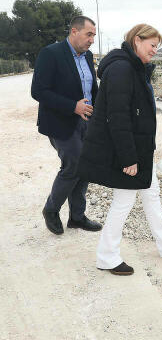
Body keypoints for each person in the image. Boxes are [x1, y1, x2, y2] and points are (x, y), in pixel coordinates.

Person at [77, 23, 162, 276]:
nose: (155, 51)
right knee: (124, 200)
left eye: (157, 47)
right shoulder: (121, 69)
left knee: (151, 194)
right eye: (152, 45)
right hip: (127, 152)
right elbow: (118, 117)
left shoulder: (133, 67)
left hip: (139, 148)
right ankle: (107, 256)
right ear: (137, 40)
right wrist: (129, 157)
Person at [31, 15, 103, 235]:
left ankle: (77, 217)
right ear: (74, 31)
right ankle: (51, 209)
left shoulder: (88, 55)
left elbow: (92, 91)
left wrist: (99, 116)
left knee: (86, 166)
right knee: (74, 164)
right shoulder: (50, 53)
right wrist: (73, 106)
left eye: (94, 36)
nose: (92, 40)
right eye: (88, 34)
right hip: (61, 122)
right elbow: (38, 91)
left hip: (87, 122)